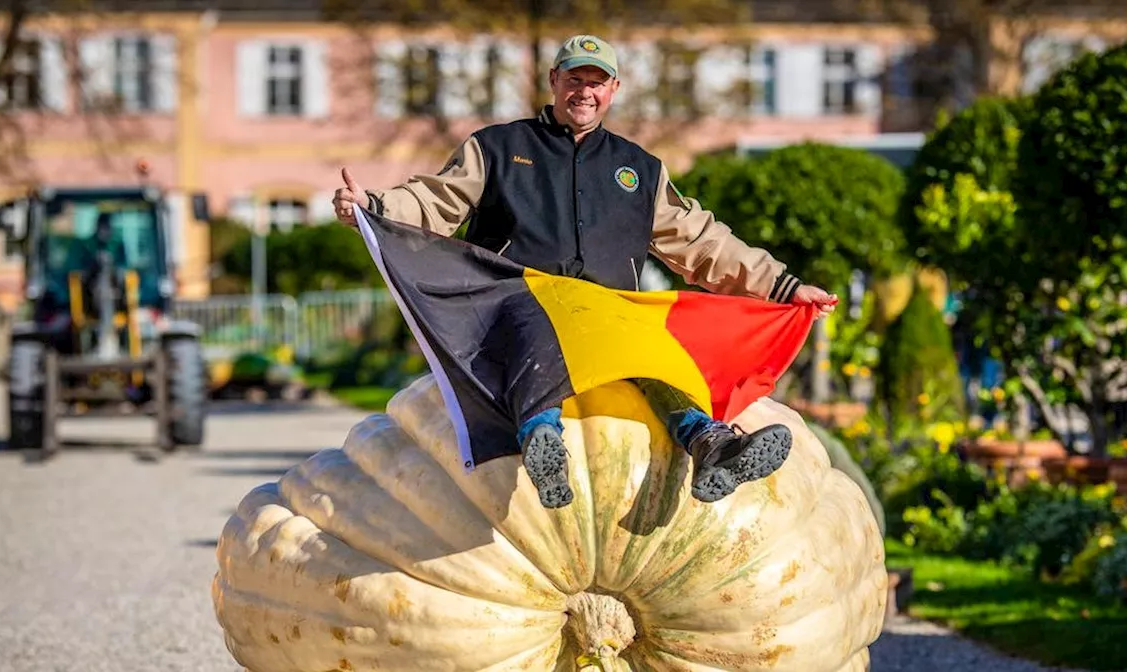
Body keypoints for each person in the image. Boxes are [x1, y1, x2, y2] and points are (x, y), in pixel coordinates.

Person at [333, 34, 839, 508]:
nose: (585, 92)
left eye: (597, 82)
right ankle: (542, 438)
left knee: (657, 355)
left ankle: (708, 442)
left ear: (613, 90)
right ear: (554, 80)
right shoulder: (496, 148)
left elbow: (701, 240)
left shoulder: (639, 168)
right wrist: (372, 206)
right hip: (517, 298)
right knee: (542, 324)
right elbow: (435, 199)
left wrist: (783, 285)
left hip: (610, 313)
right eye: (575, 79)